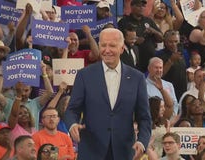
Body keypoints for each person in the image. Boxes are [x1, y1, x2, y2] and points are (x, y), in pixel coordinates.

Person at [64, 28, 152, 159]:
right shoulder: (84, 75)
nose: (107, 50)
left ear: (122, 48)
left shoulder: (137, 78)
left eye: (112, 45)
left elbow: (144, 117)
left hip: (124, 151)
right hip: (91, 150)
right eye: (103, 45)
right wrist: (72, 125)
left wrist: (142, 141)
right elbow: (72, 110)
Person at [118, 0, 163, 72]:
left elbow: (161, 38)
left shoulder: (148, 21)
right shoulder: (124, 21)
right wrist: (134, 40)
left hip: (150, 61)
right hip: (134, 62)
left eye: (143, 6)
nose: (141, 8)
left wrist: (154, 31)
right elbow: (119, 40)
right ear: (132, 6)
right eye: (139, 6)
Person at [156, 30, 187, 100]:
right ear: (165, 42)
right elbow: (160, 74)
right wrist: (171, 60)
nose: (174, 44)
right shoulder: (160, 55)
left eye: (176, 41)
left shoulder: (182, 53)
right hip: (168, 92)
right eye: (171, 42)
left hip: (182, 91)